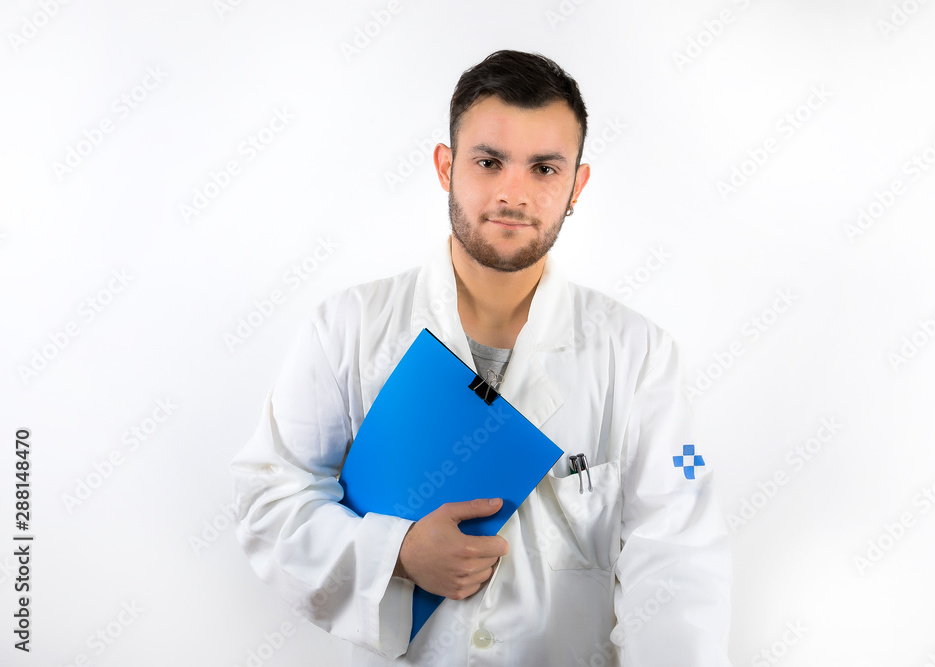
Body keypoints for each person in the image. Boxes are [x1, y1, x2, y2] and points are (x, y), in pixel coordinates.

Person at [231, 49, 732, 666]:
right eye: (489, 162)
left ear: (577, 184)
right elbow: (269, 496)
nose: (512, 193)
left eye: (544, 168)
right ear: (446, 167)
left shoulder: (641, 355)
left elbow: (680, 550)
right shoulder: (346, 328)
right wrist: (400, 551)